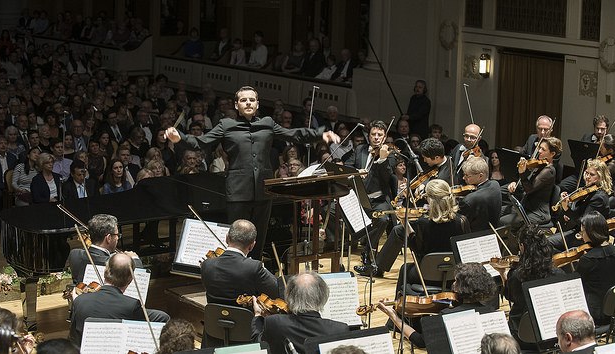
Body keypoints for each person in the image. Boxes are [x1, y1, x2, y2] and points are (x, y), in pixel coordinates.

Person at [165, 86, 339, 260]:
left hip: (263, 191)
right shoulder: (226, 125)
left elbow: (293, 134)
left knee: (259, 237)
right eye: (243, 100)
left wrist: (319, 134)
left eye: (251, 100)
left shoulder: (268, 123)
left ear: (257, 104)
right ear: (236, 105)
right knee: (237, 240)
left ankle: (254, 273)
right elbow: (201, 142)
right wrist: (179, 138)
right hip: (238, 191)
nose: (248, 103)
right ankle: (236, 275)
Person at [379, 262, 497, 348]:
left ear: (463, 287)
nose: (453, 283)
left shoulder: (447, 315)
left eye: (456, 281)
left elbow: (421, 342)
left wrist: (394, 317)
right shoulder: (491, 310)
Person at [69, 253, 169, 346]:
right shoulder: (131, 305)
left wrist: (77, 302)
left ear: (105, 272)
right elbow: (163, 317)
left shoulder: (80, 300)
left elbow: (73, 338)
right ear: (130, 279)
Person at [251, 271, 349, 354]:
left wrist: (258, 316)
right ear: (322, 297)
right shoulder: (340, 330)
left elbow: (260, 346)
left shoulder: (274, 322)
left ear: (289, 296)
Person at [345, 120, 396, 275]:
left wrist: (382, 159)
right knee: (333, 210)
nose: (376, 137)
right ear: (369, 135)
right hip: (359, 198)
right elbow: (347, 165)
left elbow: (387, 177)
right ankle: (348, 242)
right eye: (373, 134)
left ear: (385, 136)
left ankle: (368, 251)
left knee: (382, 220)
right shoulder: (360, 149)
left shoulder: (390, 154)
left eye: (379, 135)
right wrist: (356, 172)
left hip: (379, 199)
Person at [503, 225, 563, 348]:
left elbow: (511, 297)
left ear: (522, 247)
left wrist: (503, 274)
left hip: (524, 337)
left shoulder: (517, 276)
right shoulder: (559, 273)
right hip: (554, 333)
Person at [200, 219, 278, 306]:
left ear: (226, 238)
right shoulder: (254, 267)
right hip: (247, 319)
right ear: (252, 245)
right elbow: (275, 291)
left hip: (214, 317)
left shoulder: (206, 265)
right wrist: (263, 268)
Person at [549, 158, 611, 252]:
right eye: (586, 173)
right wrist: (568, 204)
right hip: (576, 229)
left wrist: (567, 210)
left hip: (586, 236)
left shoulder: (599, 198)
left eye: (592, 174)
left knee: (548, 242)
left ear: (600, 177)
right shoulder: (589, 189)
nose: (587, 177)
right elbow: (579, 211)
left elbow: (584, 223)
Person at [501, 137, 561, 230]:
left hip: (538, 213)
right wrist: (515, 183)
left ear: (552, 154)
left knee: (503, 221)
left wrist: (522, 173)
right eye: (539, 147)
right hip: (526, 206)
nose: (539, 151)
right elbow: (524, 185)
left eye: (543, 149)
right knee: (498, 211)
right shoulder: (539, 165)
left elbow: (529, 189)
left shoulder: (549, 171)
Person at [67, 213, 143, 284]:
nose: (117, 238)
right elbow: (138, 278)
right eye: (117, 235)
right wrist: (134, 259)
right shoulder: (113, 263)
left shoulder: (74, 254)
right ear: (108, 238)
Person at [576, 212, 615, 325]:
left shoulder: (587, 260)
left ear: (590, 233)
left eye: (583, 232)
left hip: (597, 314)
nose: (582, 235)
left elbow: (577, 285)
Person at [458, 156, 502, 231]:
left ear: (480, 176)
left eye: (467, 175)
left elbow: (460, 225)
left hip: (474, 237)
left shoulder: (469, 200)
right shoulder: (495, 184)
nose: (463, 178)